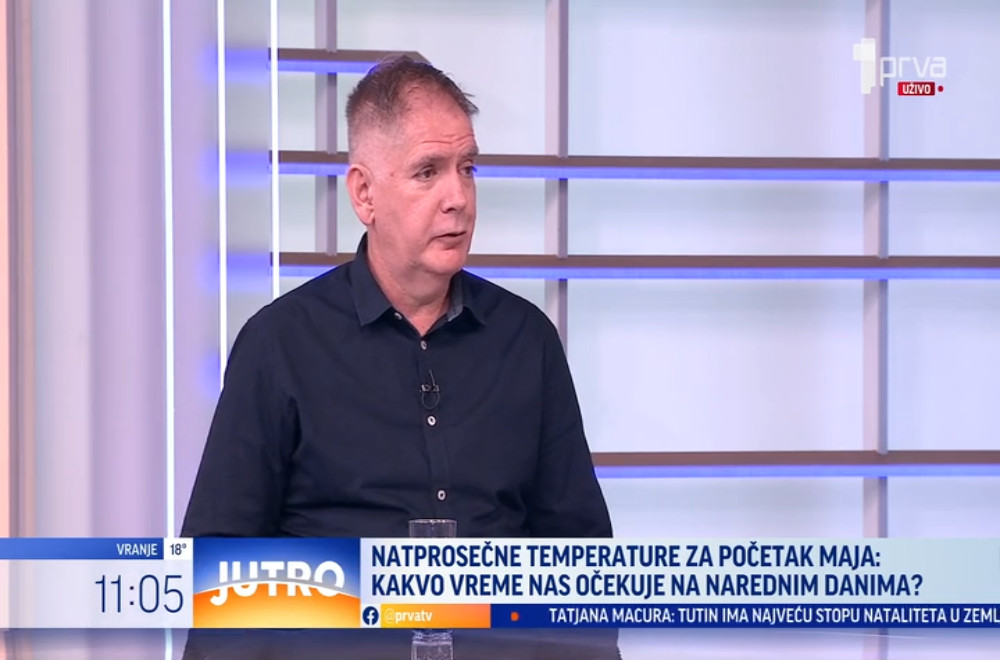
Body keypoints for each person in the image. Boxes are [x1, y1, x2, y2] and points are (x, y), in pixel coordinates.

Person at [181, 55, 612, 539]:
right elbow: (216, 563)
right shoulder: (280, 343)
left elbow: (581, 557)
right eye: (427, 172)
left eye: (467, 168)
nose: (458, 198)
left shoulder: (526, 340)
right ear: (364, 194)